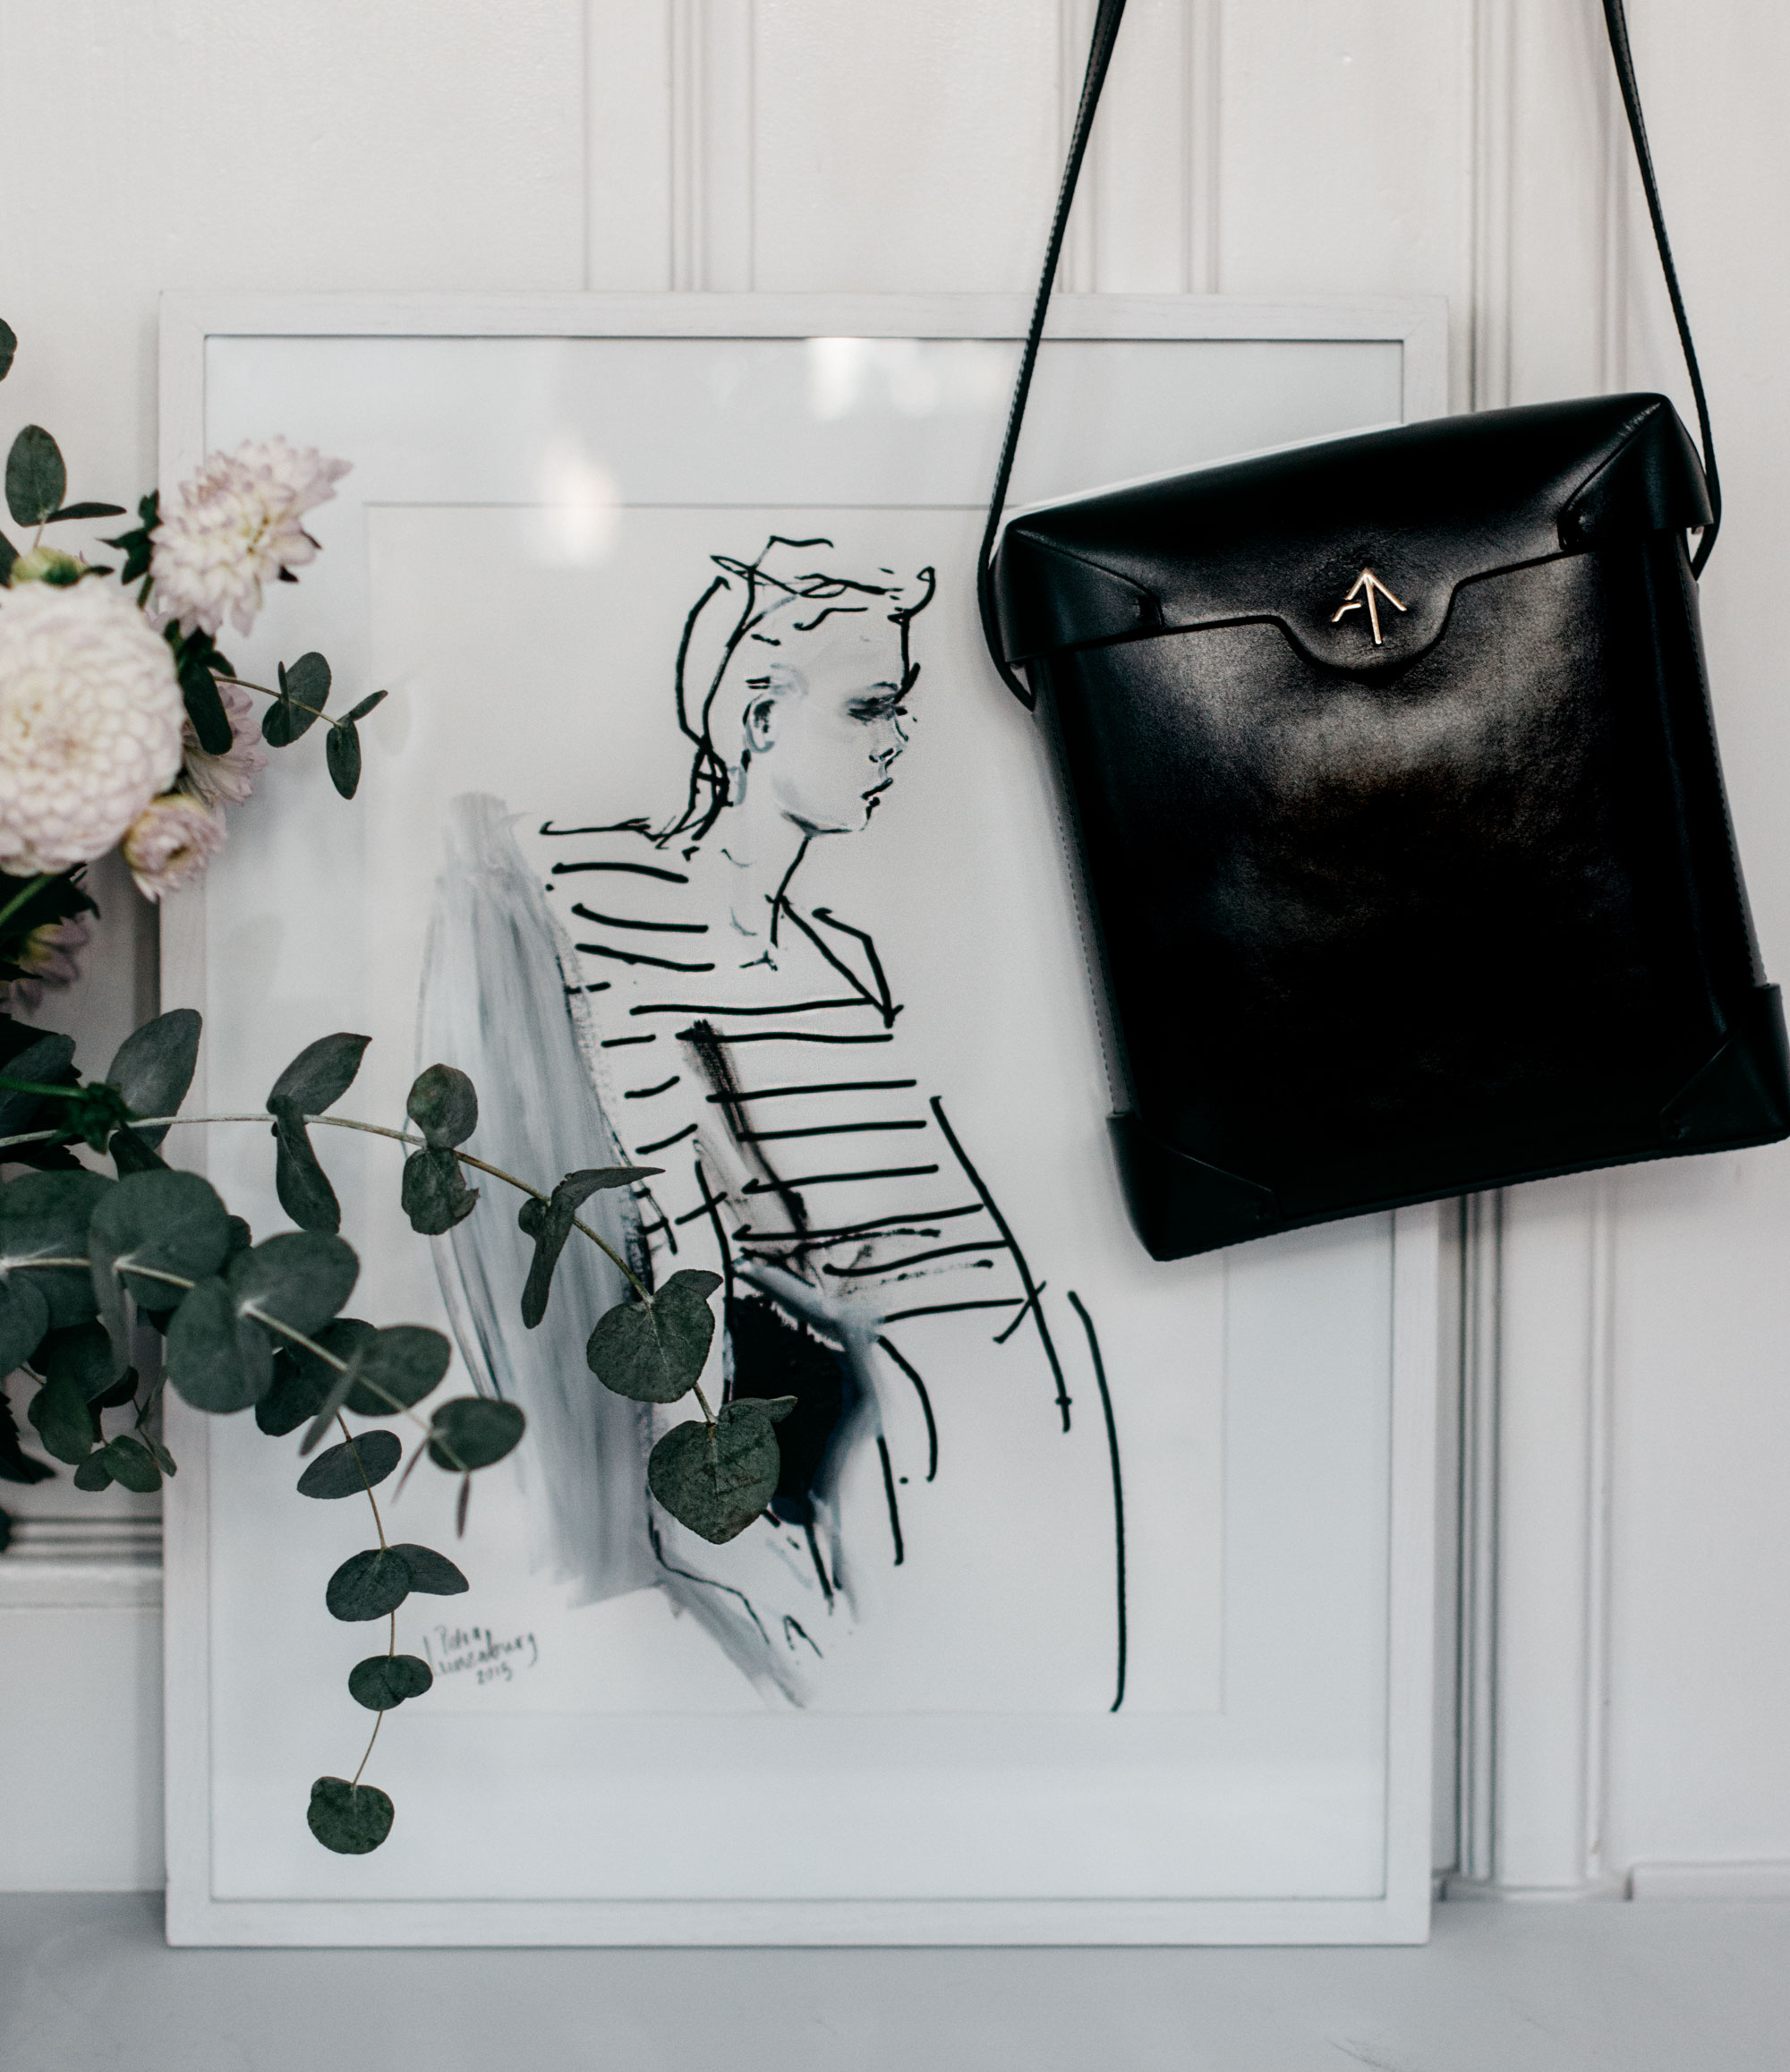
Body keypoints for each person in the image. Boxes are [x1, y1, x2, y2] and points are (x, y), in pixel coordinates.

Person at [426, 536, 1121, 1710]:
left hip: (1016, 1390)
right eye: (870, 707)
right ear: (757, 719)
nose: (902, 736)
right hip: (877, 1428)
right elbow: (673, 1231)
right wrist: (714, 1506)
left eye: (900, 704)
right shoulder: (615, 898)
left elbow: (964, 1206)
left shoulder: (842, 954)